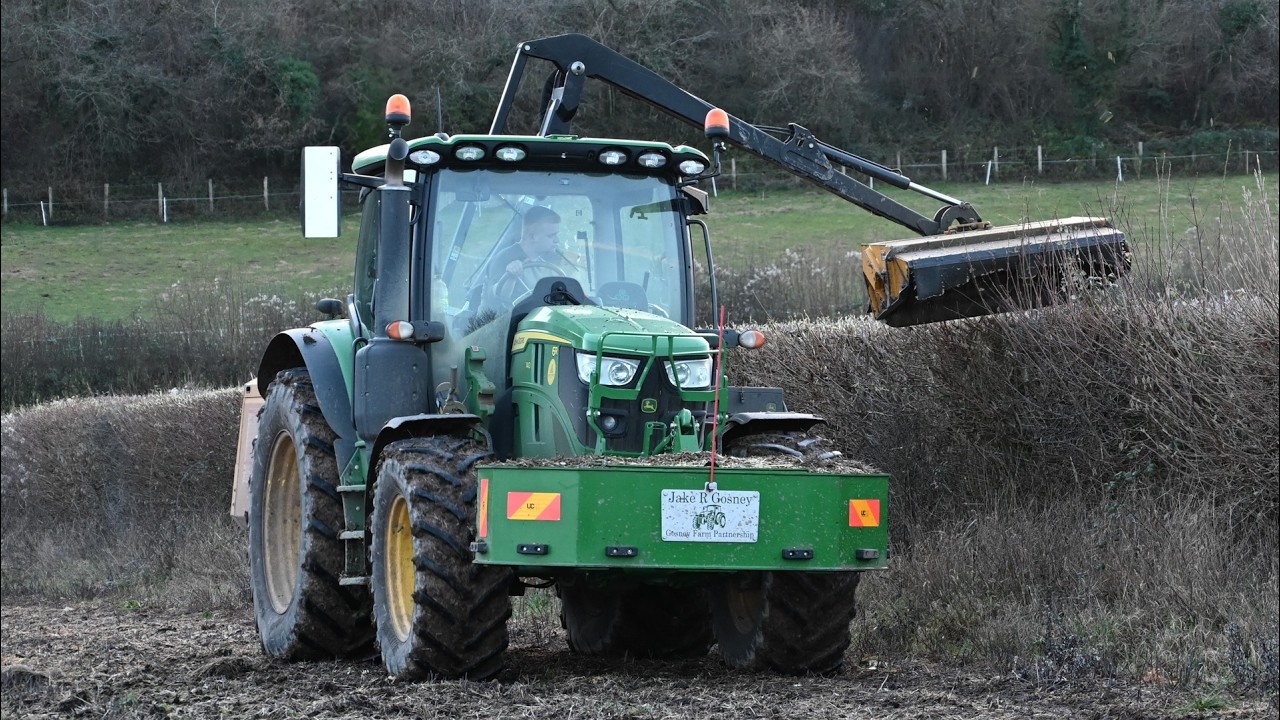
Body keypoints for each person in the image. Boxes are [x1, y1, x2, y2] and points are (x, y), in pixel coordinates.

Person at [484, 206, 566, 306]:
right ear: (532, 236)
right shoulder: (504, 259)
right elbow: (493, 299)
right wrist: (511, 276)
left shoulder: (548, 260)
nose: (557, 240)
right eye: (551, 235)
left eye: (557, 235)